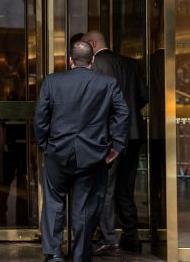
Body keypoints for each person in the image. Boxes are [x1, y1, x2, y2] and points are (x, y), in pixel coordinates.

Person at [34, 41, 129, 262]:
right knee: (85, 206)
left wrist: (44, 145)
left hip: (57, 152)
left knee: (53, 203)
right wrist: (116, 146)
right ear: (92, 60)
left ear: (70, 60)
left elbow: (40, 117)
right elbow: (122, 114)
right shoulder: (107, 83)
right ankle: (80, 254)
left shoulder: (52, 81)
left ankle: (55, 254)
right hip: (93, 154)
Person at [82, 30, 149, 254]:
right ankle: (132, 236)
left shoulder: (96, 63)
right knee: (126, 188)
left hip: (109, 136)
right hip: (134, 133)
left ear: (92, 43)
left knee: (106, 187)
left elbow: (93, 101)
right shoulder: (130, 64)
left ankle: (108, 237)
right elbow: (143, 96)